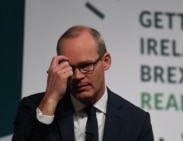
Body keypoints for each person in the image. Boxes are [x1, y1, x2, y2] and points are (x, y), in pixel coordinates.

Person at [12, 25, 154, 141]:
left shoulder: (136, 121)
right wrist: (50, 98)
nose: (78, 76)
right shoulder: (33, 108)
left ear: (106, 61)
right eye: (69, 67)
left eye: (86, 66)